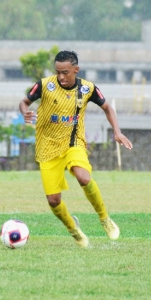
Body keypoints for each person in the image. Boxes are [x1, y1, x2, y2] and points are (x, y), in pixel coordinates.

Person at [19, 50, 133, 248]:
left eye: (65, 72)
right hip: (47, 148)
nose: (61, 76)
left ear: (76, 70)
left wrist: (117, 132)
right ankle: (74, 229)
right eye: (58, 72)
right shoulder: (45, 85)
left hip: (74, 144)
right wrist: (25, 112)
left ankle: (104, 218)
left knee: (84, 178)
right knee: (54, 201)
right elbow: (24, 102)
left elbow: (107, 108)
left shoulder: (88, 89)